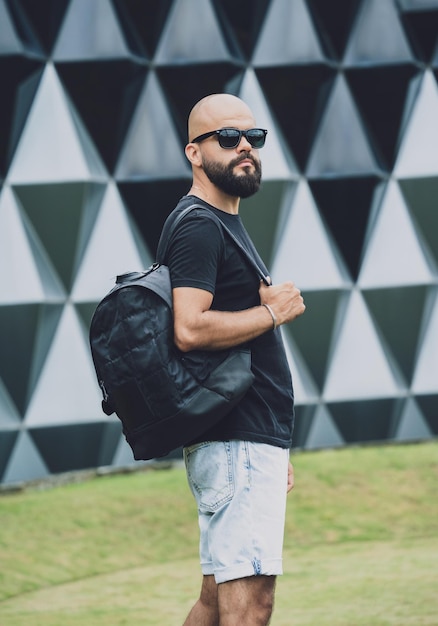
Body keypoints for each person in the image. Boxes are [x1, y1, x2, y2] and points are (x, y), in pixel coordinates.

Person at [159, 93, 305, 626]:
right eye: (227, 137)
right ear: (194, 153)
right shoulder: (200, 224)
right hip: (235, 438)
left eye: (253, 137)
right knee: (251, 606)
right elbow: (189, 327)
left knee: (217, 599)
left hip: (246, 436)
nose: (245, 146)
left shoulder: (221, 222)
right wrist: (273, 315)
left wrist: (271, 440)